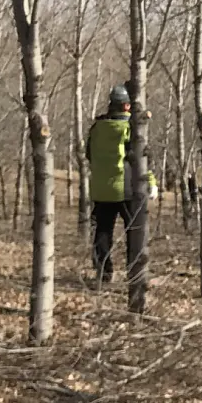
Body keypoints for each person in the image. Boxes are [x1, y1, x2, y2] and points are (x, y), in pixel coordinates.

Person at [85, 86, 133, 283]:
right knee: (134, 231)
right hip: (126, 188)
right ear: (127, 106)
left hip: (101, 189)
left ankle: (104, 272)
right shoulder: (130, 129)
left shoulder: (97, 128)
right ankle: (134, 271)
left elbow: (89, 154)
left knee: (102, 231)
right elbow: (138, 158)